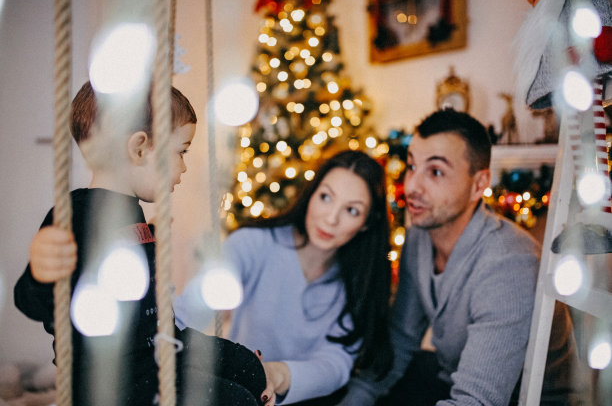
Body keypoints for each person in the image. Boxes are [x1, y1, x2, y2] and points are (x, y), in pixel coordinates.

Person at [14, 81, 267, 406]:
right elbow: (34, 302)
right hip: (115, 377)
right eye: (181, 151)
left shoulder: (130, 211)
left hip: (158, 346)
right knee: (238, 400)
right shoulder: (78, 213)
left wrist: (152, 237)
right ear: (139, 149)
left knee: (249, 369)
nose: (184, 166)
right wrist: (40, 272)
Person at [337, 108, 579, 405]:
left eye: (436, 171)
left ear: (478, 184)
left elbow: (475, 400)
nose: (412, 186)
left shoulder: (510, 263)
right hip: (451, 377)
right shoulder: (418, 237)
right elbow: (402, 338)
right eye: (412, 166)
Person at [176, 149, 395, 405]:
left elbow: (336, 364)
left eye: (352, 211)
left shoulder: (359, 281)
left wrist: (276, 373)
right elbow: (193, 306)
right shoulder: (252, 244)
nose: (331, 218)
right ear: (312, 194)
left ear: (367, 223)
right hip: (241, 395)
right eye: (326, 197)